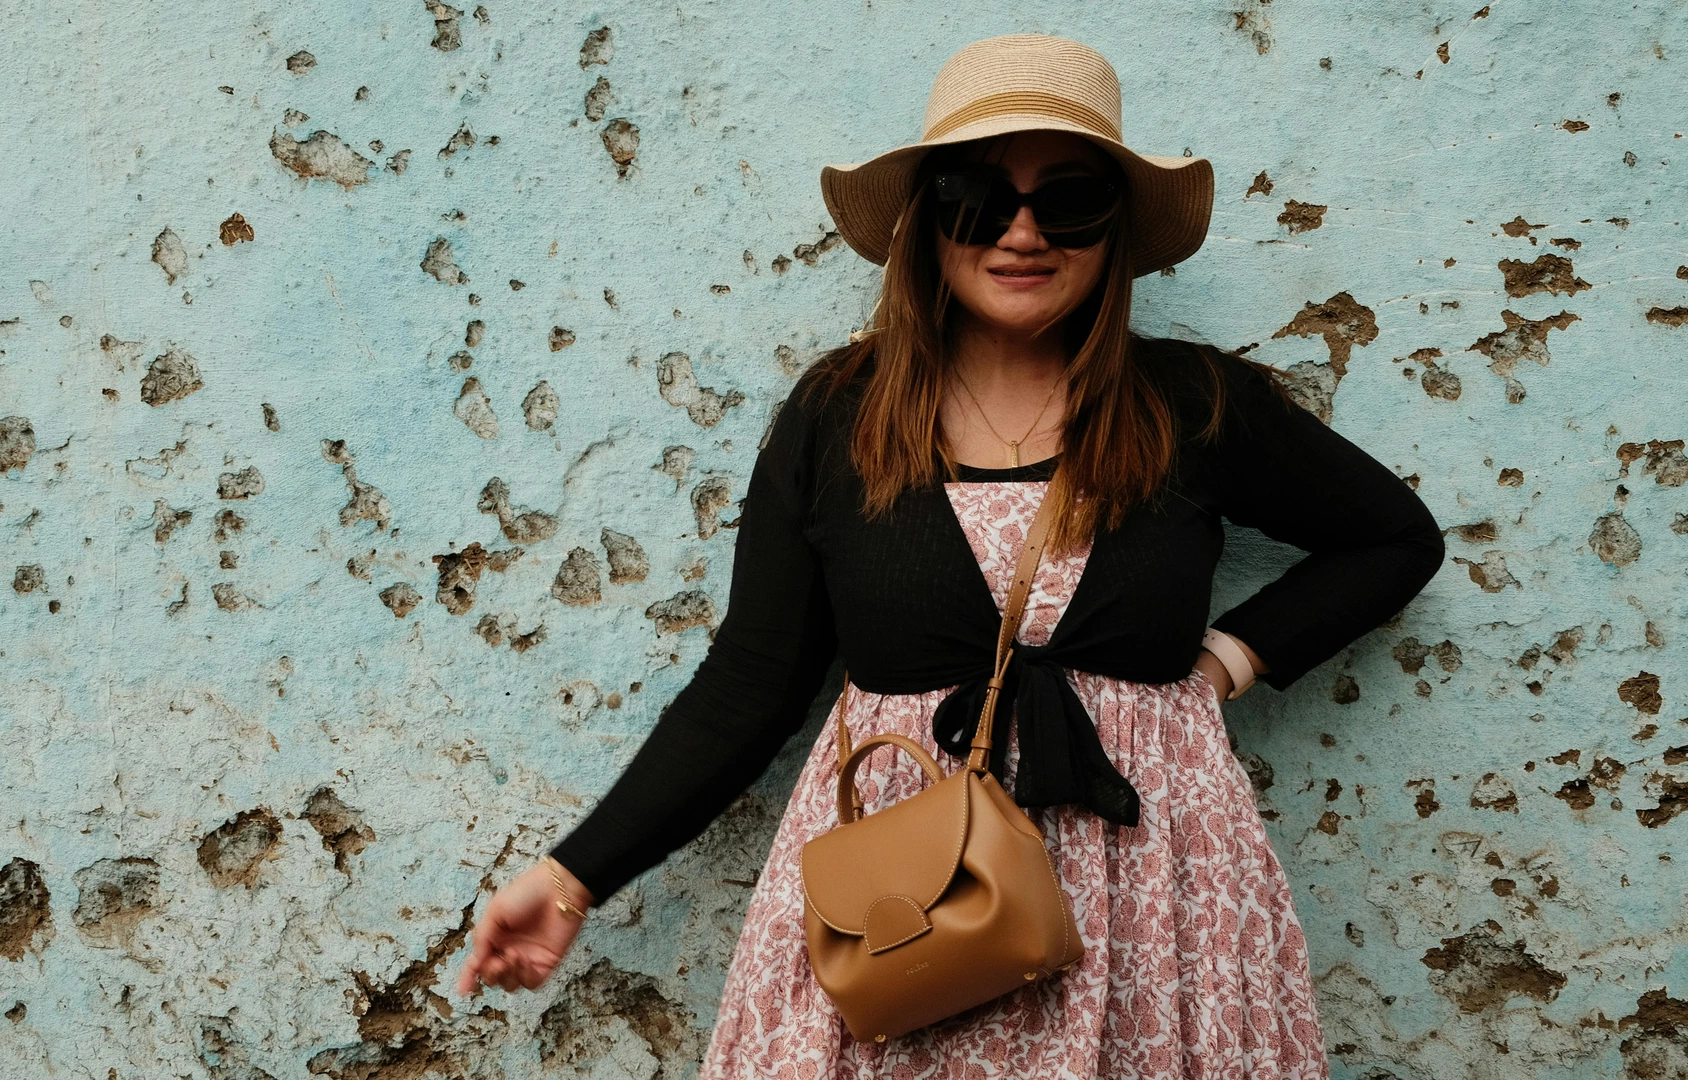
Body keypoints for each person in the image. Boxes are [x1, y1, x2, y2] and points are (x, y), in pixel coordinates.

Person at [456, 33, 1444, 1078]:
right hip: (905, 920)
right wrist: (571, 878)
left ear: (1113, 232)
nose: (1022, 233)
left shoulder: (1192, 403)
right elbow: (751, 684)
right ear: (928, 222)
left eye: (1068, 202)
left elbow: (1392, 539)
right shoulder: (840, 416)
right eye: (978, 198)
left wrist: (1219, 663)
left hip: (1153, 896)